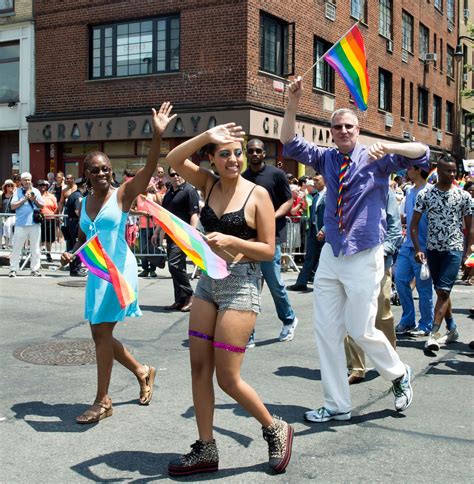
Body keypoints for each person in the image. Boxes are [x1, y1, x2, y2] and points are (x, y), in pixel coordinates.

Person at [281, 76, 429, 421]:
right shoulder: (327, 159)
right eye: (337, 127)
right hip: (333, 253)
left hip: (365, 252)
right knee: (326, 331)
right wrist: (293, 101)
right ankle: (336, 405)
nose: (343, 131)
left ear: (357, 129)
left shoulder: (377, 158)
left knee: (361, 329)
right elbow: (289, 140)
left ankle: (398, 373)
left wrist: (391, 148)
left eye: (348, 126)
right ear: (331, 131)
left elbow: (422, 153)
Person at [165, 122, 293, 477]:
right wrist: (207, 135)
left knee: (227, 378)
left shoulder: (258, 195)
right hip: (209, 282)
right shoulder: (208, 184)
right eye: (225, 153)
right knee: (198, 368)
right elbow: (174, 159)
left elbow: (268, 250)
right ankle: (206, 447)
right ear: (213, 159)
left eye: (238, 153)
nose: (234, 159)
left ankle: (275, 427)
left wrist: (232, 242)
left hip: (242, 283)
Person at [60, 102, 176, 424]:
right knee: (101, 336)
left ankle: (102, 400)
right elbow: (90, 239)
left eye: (105, 168)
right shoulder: (83, 202)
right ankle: (142, 371)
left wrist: (156, 136)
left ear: (111, 170)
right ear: (85, 174)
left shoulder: (122, 195)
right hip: (98, 272)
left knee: (100, 334)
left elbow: (150, 169)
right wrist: (73, 251)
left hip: (119, 272)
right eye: (95, 169)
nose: (101, 173)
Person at [411, 155, 472, 352]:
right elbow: (413, 225)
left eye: (454, 170)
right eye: (448, 170)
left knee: (444, 291)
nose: (453, 174)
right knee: (441, 291)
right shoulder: (425, 195)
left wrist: (467, 253)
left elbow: (471, 228)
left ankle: (433, 334)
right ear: (438, 171)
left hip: (453, 249)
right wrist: (418, 249)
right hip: (432, 249)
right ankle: (452, 328)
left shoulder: (464, 196)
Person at [242, 138, 299, 343]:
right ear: (246, 153)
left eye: (258, 150)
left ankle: (289, 319)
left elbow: (288, 201)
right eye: (251, 150)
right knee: (250, 287)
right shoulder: (243, 178)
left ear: (264, 153)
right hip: (249, 239)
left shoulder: (277, 174)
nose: (255, 153)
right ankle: (248, 332)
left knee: (274, 283)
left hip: (271, 238)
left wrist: (271, 217)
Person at [344, 189, 402, 384]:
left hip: (379, 262)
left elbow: (394, 227)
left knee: (382, 314)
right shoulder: (347, 185)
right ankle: (356, 367)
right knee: (351, 315)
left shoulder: (386, 191)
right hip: (350, 262)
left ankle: (390, 361)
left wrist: (382, 252)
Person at [394, 165, 434, 336]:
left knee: (424, 287)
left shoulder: (431, 191)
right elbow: (406, 216)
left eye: (410, 168)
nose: (407, 171)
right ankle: (408, 320)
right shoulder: (409, 191)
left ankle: (426, 324)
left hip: (424, 247)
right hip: (408, 245)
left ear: (418, 170)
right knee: (401, 280)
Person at [154, 167, 199, 312]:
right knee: (175, 267)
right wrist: (156, 232)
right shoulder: (169, 193)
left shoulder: (189, 190)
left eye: (178, 173)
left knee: (174, 265)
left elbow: (194, 214)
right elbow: (164, 215)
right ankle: (179, 300)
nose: (176, 176)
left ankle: (190, 295)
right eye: (172, 174)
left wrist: (191, 234)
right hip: (171, 235)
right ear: (169, 176)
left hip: (184, 235)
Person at [288, 174, 326, 291]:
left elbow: (331, 215)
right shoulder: (315, 196)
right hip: (313, 232)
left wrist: (324, 229)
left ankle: (321, 283)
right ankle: (301, 282)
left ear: (325, 180)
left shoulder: (330, 196)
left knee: (324, 258)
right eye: (313, 180)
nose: (314, 182)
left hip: (325, 233)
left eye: (317, 180)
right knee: (309, 258)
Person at [9, 173, 45, 277]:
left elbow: (42, 205)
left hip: (34, 223)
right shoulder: (17, 192)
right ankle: (13, 269)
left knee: (35, 248)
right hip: (21, 224)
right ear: (21, 181)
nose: (27, 182)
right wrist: (24, 199)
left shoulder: (36, 191)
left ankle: (35, 269)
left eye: (28, 180)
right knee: (17, 248)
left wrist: (34, 200)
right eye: (25, 180)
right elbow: (12, 206)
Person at [64, 178, 88, 276]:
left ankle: (74, 268)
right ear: (83, 185)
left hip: (71, 223)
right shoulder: (78, 196)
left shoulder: (73, 195)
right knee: (77, 246)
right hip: (75, 224)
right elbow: (78, 211)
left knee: (72, 245)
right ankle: (75, 269)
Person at [37, 179, 58, 263]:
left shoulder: (51, 196)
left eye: (44, 185)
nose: (42, 187)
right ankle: (38, 254)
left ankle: (48, 254)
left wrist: (57, 218)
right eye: (40, 185)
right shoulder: (36, 195)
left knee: (50, 238)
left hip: (50, 219)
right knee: (40, 237)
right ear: (37, 187)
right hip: (40, 219)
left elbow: (56, 207)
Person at [1, 179, 15, 248]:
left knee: (7, 226)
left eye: (11, 185)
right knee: (3, 228)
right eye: (8, 186)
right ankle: (5, 243)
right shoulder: (2, 195)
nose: (10, 187)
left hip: (12, 215)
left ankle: (9, 244)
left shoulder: (15, 195)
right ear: (5, 187)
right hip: (3, 215)